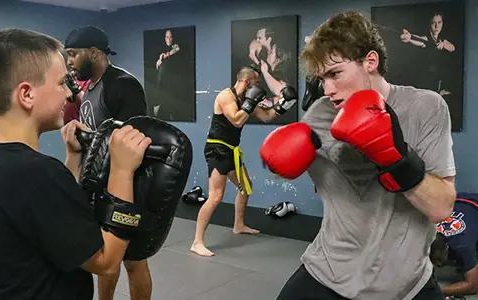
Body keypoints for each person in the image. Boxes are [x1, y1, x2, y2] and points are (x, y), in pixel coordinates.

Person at [260, 11, 456, 300]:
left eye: (335, 73)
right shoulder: (320, 114)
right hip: (329, 274)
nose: (328, 89)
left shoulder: (426, 108)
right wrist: (279, 162)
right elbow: (311, 180)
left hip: (407, 285)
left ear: (370, 62)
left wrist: (395, 158)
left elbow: (442, 208)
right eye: (322, 78)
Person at [0, 28, 151, 299]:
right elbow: (105, 260)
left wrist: (72, 157)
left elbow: (51, 213)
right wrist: (122, 170)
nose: (68, 95)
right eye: (60, 84)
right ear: (27, 94)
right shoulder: (39, 173)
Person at [64, 25, 150, 300]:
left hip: (127, 187)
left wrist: (91, 137)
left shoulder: (123, 85)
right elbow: (100, 132)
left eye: (73, 54)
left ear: (93, 52)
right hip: (99, 185)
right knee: (104, 257)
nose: (69, 61)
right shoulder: (91, 88)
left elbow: (132, 141)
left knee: (133, 261)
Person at [190, 65, 298, 257]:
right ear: (247, 82)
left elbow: (267, 116)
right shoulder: (226, 97)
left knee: (245, 187)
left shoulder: (246, 99)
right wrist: (250, 103)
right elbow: (236, 120)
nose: (258, 87)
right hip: (217, 149)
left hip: (232, 150)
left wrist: (282, 106)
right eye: (256, 83)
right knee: (216, 195)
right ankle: (197, 242)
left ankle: (238, 225)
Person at [431, 192, 478, 298]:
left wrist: (436, 291)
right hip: (457, 202)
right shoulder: (425, 232)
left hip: (470, 203)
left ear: (447, 247)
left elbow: (472, 286)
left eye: (439, 259)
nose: (438, 264)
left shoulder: (462, 245)